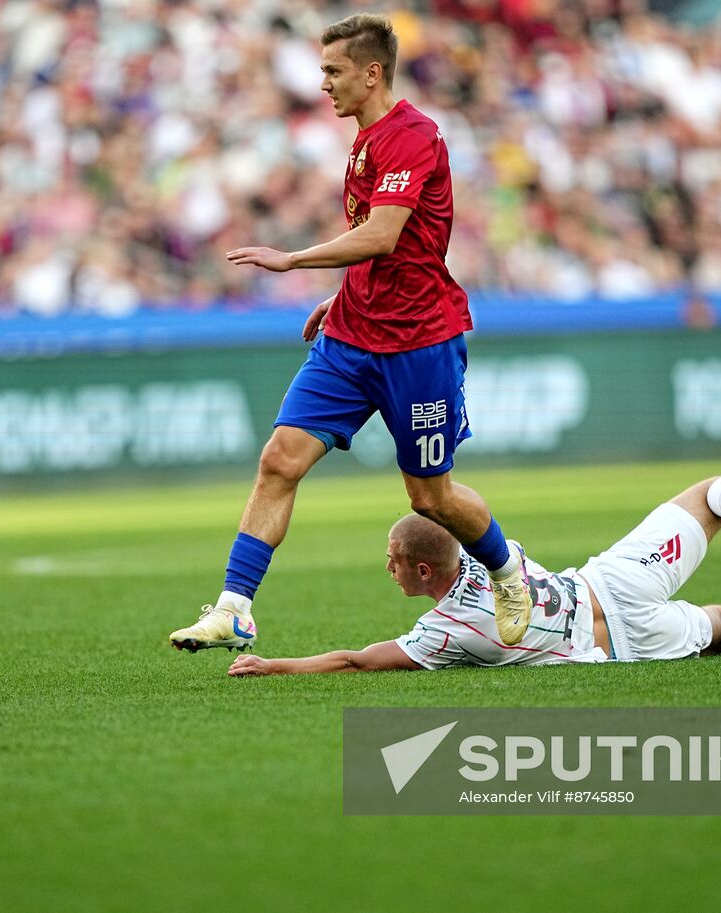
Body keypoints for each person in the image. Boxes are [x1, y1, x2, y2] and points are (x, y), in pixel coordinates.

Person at [171, 14, 530, 653]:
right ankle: (234, 607)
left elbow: (385, 235)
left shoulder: (413, 135)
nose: (324, 85)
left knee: (430, 498)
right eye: (322, 72)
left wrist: (292, 260)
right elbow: (393, 246)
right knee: (280, 459)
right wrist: (339, 295)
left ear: (372, 73)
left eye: (334, 72)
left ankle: (508, 574)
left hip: (418, 343)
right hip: (352, 334)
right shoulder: (364, 139)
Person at [226, 466, 721, 675]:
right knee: (716, 492)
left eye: (392, 561)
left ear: (421, 569)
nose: (385, 569)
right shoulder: (490, 552)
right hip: (616, 579)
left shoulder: (443, 633)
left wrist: (273, 664)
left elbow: (356, 660)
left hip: (620, 645)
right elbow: (462, 509)